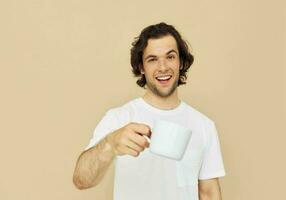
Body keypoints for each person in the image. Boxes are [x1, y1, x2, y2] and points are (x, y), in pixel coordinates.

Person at [73, 22, 226, 200]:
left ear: (181, 62)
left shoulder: (204, 126)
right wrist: (110, 144)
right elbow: (81, 180)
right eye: (152, 59)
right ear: (141, 68)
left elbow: (208, 193)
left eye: (170, 57)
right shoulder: (119, 118)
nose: (162, 67)